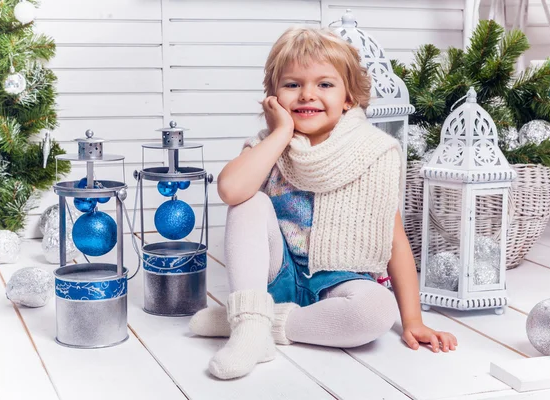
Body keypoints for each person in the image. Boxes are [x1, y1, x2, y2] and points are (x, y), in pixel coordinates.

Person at [189, 27, 457, 380]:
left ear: (349, 98)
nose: (307, 95)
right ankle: (251, 321)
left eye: (325, 84)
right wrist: (281, 133)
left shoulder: (374, 152)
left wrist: (414, 320)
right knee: (248, 203)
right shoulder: (268, 144)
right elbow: (231, 190)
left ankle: (253, 323)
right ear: (274, 97)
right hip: (277, 273)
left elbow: (394, 239)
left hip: (340, 280)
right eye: (292, 85)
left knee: (376, 311)